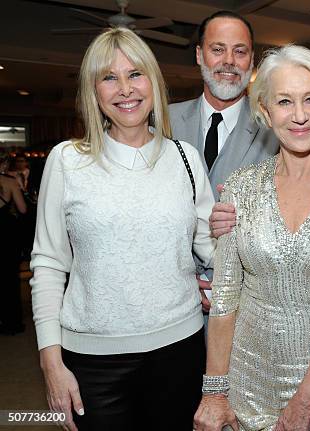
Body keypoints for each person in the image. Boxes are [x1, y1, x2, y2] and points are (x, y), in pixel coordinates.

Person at [30, 27, 216, 431]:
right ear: (93, 92)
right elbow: (47, 263)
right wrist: (50, 359)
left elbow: (210, 249)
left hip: (179, 352)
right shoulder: (66, 161)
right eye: (109, 77)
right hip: (94, 364)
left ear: (153, 81)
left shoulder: (185, 158)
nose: (125, 89)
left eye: (135, 74)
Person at [192, 45, 310, 431]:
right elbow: (225, 297)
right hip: (244, 378)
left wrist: (307, 398)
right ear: (266, 110)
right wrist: (214, 391)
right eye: (284, 101)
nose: (298, 115)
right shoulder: (241, 187)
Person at [170, 10, 279, 312]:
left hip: (250, 308)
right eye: (217, 49)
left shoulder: (276, 129)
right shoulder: (161, 124)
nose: (228, 61)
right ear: (199, 55)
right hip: (174, 309)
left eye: (239, 51)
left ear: (251, 61)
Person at [0, 153, 27, 335]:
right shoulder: (9, 182)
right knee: (9, 279)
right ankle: (11, 322)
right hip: (5, 236)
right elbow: (23, 208)